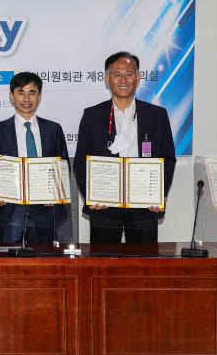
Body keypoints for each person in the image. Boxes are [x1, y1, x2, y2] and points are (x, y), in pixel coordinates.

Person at [74, 51, 177, 242]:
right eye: (117, 74)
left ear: (138, 78)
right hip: (104, 206)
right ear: (107, 78)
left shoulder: (157, 115)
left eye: (129, 74)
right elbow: (81, 162)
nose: (123, 80)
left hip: (144, 206)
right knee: (103, 267)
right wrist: (91, 195)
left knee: (142, 266)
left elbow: (168, 159)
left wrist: (159, 195)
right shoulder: (92, 115)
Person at [0, 72, 71, 244]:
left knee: (44, 261)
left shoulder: (54, 130)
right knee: (9, 265)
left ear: (40, 96)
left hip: (46, 209)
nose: (26, 99)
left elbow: (63, 166)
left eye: (32, 93)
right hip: (9, 209)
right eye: (21, 93)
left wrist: (56, 193)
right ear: (11, 96)